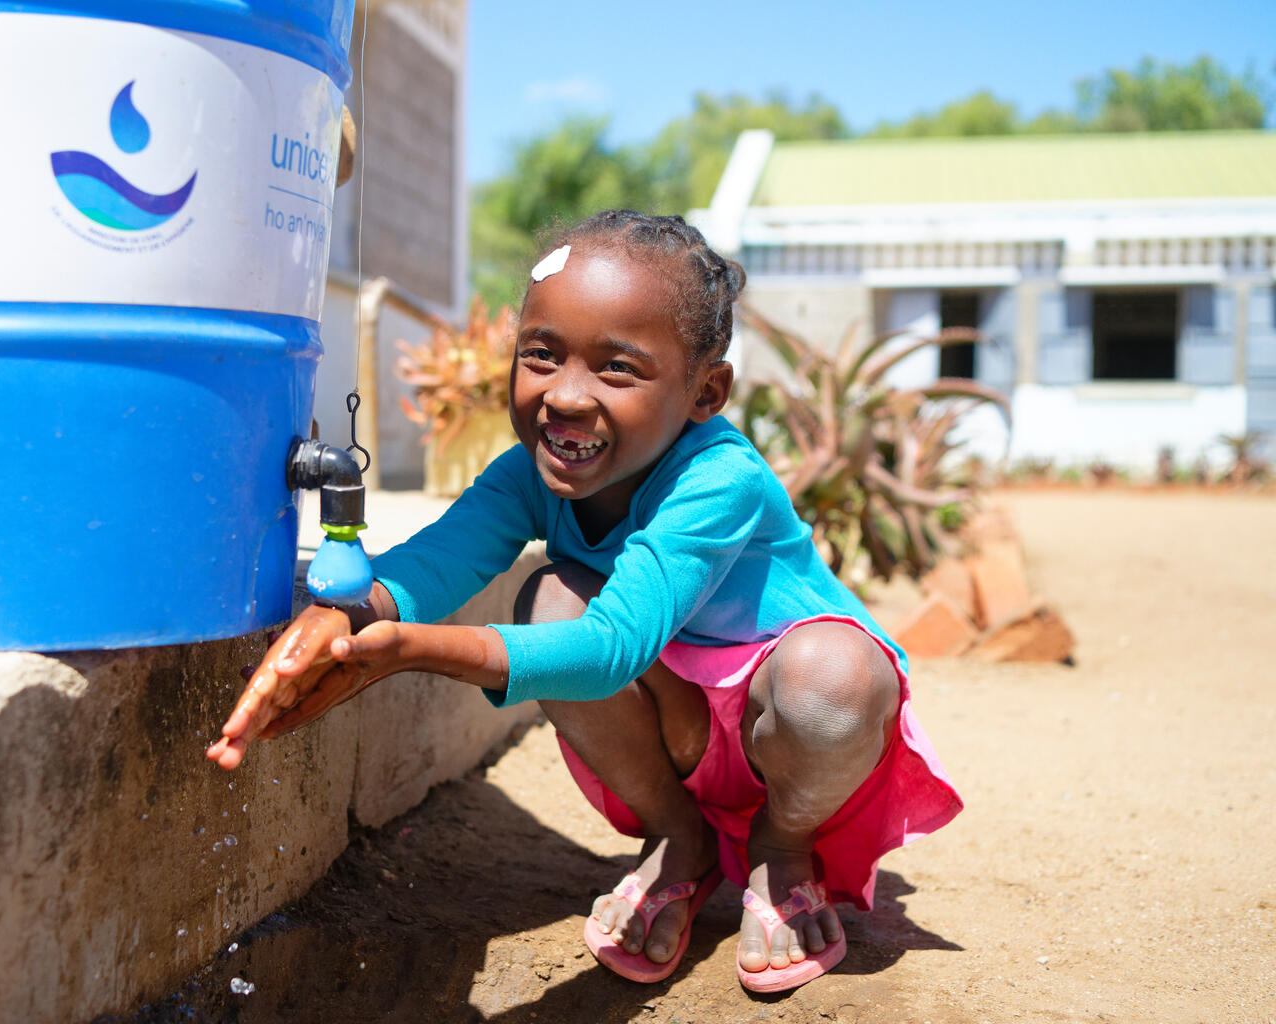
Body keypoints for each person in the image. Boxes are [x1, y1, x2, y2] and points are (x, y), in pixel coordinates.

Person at [207, 210, 962, 993]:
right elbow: (434, 561)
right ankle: (680, 838)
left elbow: (611, 650)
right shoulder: (527, 474)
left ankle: (781, 847)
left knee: (836, 675)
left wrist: (408, 651)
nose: (565, 396)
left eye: (617, 368)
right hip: (674, 717)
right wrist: (345, 616)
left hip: (790, 725)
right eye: (541, 354)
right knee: (551, 599)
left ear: (707, 392)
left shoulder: (719, 479)